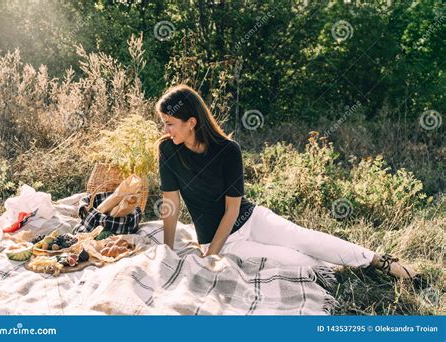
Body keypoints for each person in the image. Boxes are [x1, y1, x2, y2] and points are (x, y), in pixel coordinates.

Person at [155, 84, 417, 280]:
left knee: (304, 239)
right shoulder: (168, 150)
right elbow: (171, 203)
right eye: (163, 123)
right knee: (297, 261)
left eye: (169, 124)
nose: (165, 130)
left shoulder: (228, 150)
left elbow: (233, 208)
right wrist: (170, 250)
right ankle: (348, 269)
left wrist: (210, 255)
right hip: (224, 240)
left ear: (191, 122)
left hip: (251, 218)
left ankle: (379, 261)